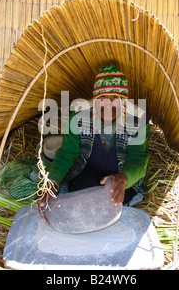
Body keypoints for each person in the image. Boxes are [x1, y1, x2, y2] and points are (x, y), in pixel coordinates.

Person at [38, 65, 150, 222]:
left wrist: (123, 178)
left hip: (123, 178)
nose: (107, 105)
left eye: (114, 99)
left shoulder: (138, 121)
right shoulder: (78, 118)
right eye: (102, 98)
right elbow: (67, 153)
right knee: (81, 194)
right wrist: (52, 183)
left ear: (123, 100)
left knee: (113, 198)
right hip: (89, 173)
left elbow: (138, 159)